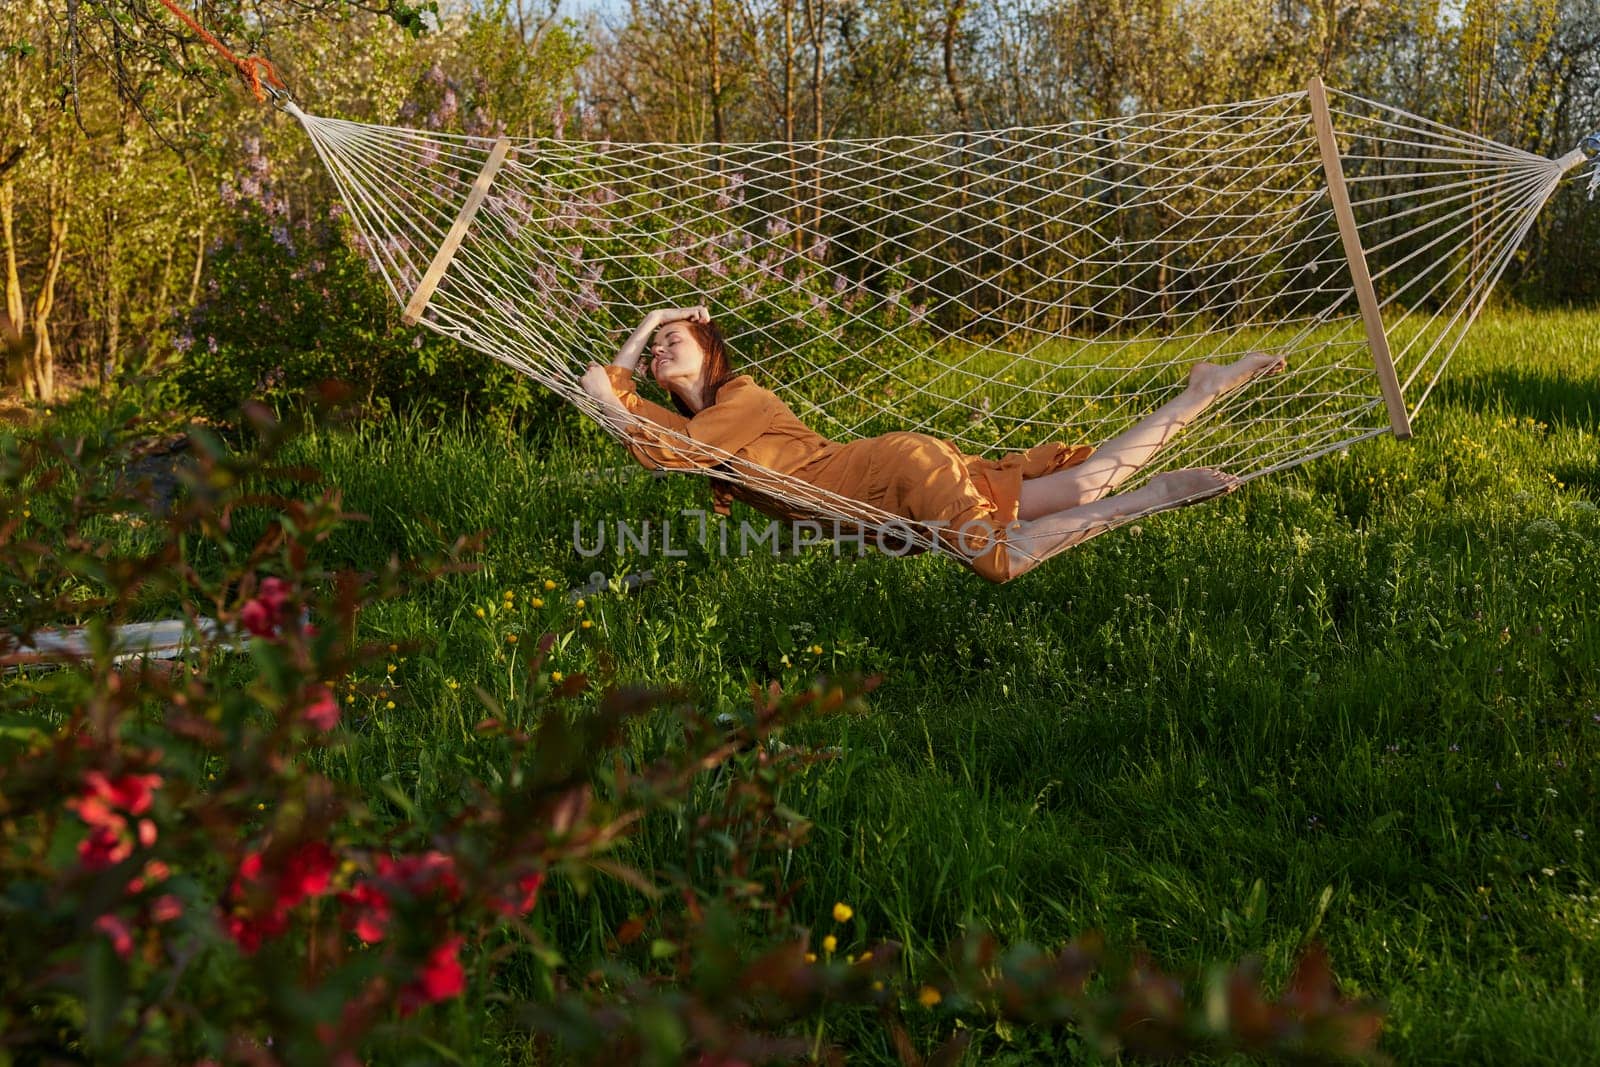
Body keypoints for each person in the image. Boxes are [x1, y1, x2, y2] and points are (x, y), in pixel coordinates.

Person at [579, 305, 1285, 582]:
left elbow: (610, 397)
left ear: (712, 353)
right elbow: (606, 394)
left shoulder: (741, 401)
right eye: (657, 347)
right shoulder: (696, 431)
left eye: (679, 337)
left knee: (1002, 563)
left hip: (899, 478)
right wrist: (648, 322)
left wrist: (655, 321)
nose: (664, 346)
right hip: (891, 508)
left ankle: (1157, 496)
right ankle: (1199, 392)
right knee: (1077, 488)